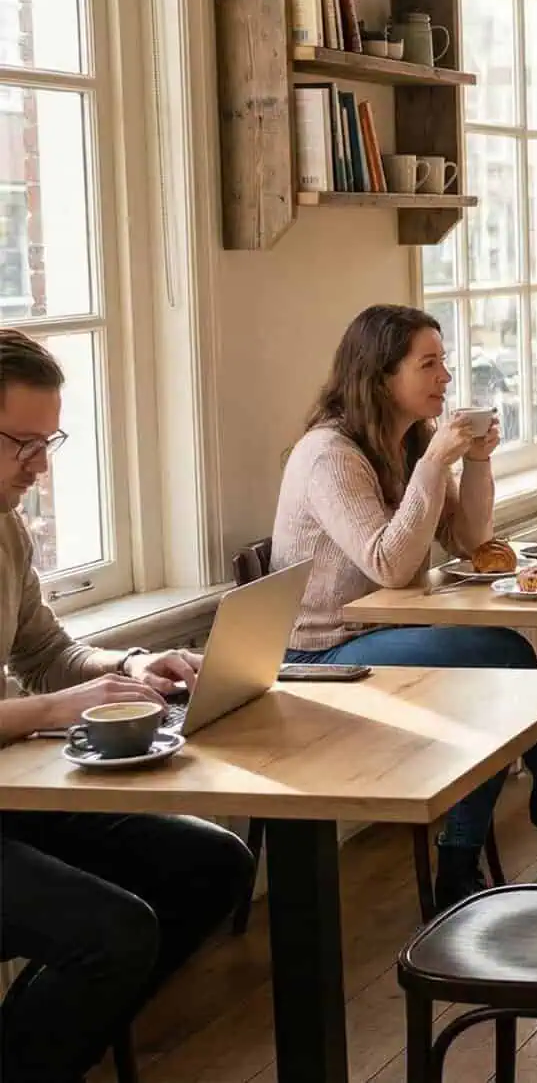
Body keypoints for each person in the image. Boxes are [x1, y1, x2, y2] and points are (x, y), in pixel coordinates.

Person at [271, 305, 537, 907]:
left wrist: (478, 460)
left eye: (444, 362)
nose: (445, 377)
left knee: (496, 666)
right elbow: (389, 564)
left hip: (375, 635)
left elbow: (471, 539)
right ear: (380, 375)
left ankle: (506, 826)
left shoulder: (404, 442)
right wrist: (436, 462)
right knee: (502, 659)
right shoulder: (330, 456)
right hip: (321, 657)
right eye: (429, 364)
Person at [0, 331, 254, 1081]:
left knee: (212, 864)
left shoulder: (6, 530)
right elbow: (50, 694)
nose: (40, 467)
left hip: (12, 795)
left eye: (48, 443)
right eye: (22, 444)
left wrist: (132, 664)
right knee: (113, 934)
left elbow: (45, 652)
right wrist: (56, 710)